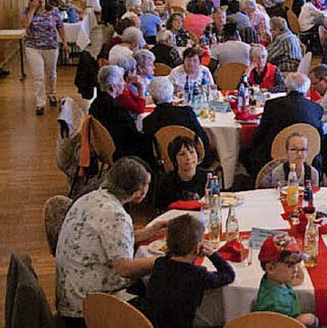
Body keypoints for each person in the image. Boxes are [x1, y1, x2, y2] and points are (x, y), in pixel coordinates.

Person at [56, 157, 165, 327]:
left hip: (71, 295)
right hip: (89, 308)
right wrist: (163, 261)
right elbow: (125, 268)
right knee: (162, 305)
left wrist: (151, 231)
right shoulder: (116, 215)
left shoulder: (90, 198)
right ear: (139, 191)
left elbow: (111, 242)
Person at [147, 214, 235, 328]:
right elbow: (228, 274)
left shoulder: (160, 263)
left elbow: (174, 262)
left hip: (153, 323)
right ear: (198, 247)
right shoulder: (198, 275)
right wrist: (213, 254)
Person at [245, 73, 323, 177]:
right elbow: (318, 137)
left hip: (272, 156)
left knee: (246, 151)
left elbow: (259, 134)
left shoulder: (272, 105)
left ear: (286, 87)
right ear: (307, 89)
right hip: (307, 155)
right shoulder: (316, 109)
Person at [21, 0, 66, 116]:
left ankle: (51, 93)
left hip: (51, 46)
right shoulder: (27, 12)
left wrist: (65, 42)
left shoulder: (54, 11)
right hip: (33, 47)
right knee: (38, 76)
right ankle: (40, 103)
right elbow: (25, 25)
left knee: (51, 73)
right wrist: (31, 10)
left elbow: (60, 27)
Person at [255, 234, 317, 327]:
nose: (295, 270)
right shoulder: (274, 302)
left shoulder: (274, 280)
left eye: (296, 264)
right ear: (271, 268)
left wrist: (295, 259)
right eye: (289, 265)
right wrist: (299, 320)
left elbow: (299, 279)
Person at [89, 66, 148, 159]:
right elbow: (133, 135)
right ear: (112, 87)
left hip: (104, 147)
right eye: (121, 81)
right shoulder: (116, 108)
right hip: (121, 150)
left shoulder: (95, 104)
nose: (124, 84)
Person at [143, 76, 209, 149]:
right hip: (190, 157)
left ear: (153, 98)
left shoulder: (148, 121)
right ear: (171, 93)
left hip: (162, 158)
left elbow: (149, 148)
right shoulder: (186, 112)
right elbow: (203, 139)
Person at [154, 136, 209, 210]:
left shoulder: (208, 177)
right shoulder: (166, 181)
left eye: (192, 152)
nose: (188, 157)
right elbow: (160, 208)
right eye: (182, 154)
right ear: (174, 159)